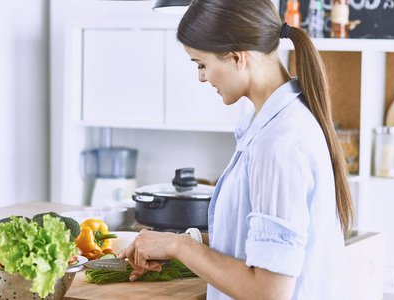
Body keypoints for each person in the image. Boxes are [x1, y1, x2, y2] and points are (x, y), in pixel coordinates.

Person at [118, 0, 354, 298]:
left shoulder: (277, 143)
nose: (202, 77)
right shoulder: (283, 122)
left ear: (237, 58)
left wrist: (181, 245)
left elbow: (268, 290)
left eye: (202, 65)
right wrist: (176, 244)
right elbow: (251, 242)